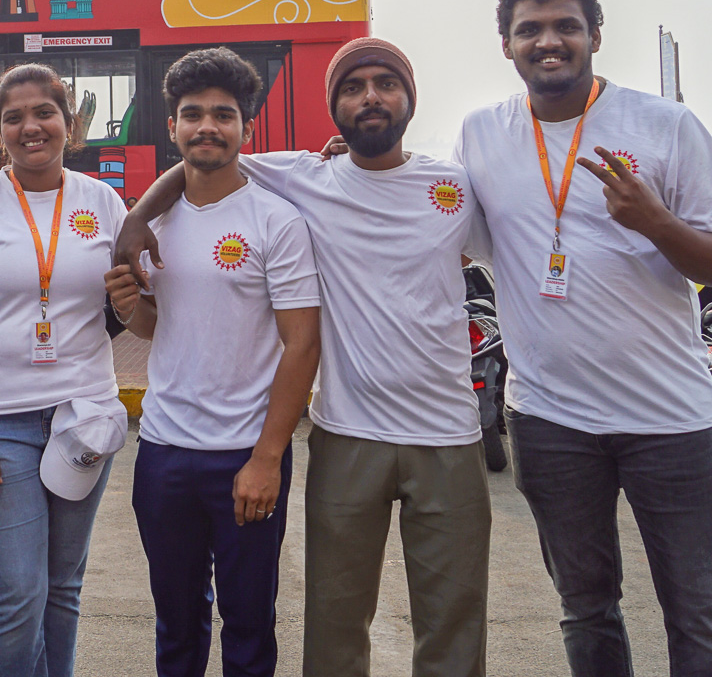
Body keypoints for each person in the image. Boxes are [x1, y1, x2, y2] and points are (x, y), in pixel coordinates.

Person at [124, 36, 496, 677]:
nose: (370, 97)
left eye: (386, 84)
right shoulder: (304, 177)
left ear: (410, 98)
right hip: (347, 432)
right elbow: (200, 160)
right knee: (334, 625)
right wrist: (138, 217)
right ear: (334, 107)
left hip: (450, 435)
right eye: (353, 87)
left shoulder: (455, 186)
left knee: (453, 625)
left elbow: (523, 245)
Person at [451, 0, 712, 677]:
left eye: (566, 26)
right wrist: (349, 167)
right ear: (506, 44)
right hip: (549, 421)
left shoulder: (664, 125)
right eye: (530, 29)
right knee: (586, 609)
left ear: (595, 35)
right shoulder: (482, 133)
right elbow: (432, 218)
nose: (548, 41)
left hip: (669, 419)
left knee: (699, 611)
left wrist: (655, 221)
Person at [104, 48, 322, 677]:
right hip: (163, 451)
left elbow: (302, 344)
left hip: (243, 454)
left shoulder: (277, 221)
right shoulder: (153, 223)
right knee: (175, 625)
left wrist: (267, 458)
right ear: (172, 126)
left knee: (249, 625)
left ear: (246, 129)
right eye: (192, 114)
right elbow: (159, 327)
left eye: (223, 115)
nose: (207, 126)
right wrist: (130, 309)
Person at [0, 62, 130, 677]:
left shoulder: (102, 201)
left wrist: (80, 339)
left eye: (45, 113)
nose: (30, 127)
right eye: (13, 117)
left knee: (62, 587)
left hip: (82, 419)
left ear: (70, 123)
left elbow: (122, 304)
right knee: (16, 594)